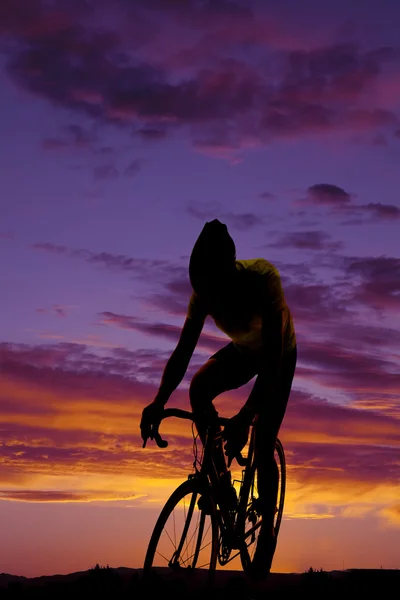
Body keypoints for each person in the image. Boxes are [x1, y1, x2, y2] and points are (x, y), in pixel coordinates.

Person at [140, 219, 297, 580]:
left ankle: (268, 534)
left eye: (214, 289)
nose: (209, 298)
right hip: (244, 350)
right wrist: (158, 401)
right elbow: (183, 352)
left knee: (261, 441)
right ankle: (222, 492)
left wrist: (246, 415)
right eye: (202, 291)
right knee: (198, 389)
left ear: (230, 272)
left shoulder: (263, 280)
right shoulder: (203, 295)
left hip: (279, 354)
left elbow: (272, 362)